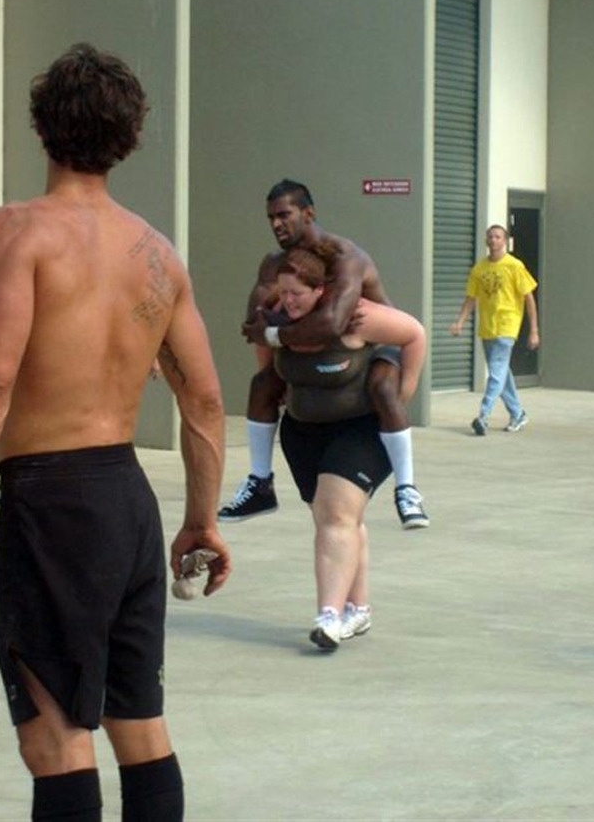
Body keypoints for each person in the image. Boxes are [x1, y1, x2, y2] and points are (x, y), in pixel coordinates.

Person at [0, 44, 231, 822]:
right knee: (141, 729)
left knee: (55, 740)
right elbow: (204, 400)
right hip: (129, 507)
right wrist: (202, 520)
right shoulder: (156, 254)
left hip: (51, 505)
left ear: (41, 125)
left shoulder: (15, 233)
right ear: (127, 138)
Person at [217, 179, 429, 530]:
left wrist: (277, 327)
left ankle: (407, 488)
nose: (276, 224)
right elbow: (254, 322)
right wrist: (277, 350)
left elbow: (332, 323)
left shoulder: (345, 257)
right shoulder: (274, 264)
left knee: (382, 387)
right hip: (317, 352)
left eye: (284, 215)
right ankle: (260, 483)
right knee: (264, 383)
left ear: (308, 213)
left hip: (375, 342)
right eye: (270, 217)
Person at [268, 245, 426, 649]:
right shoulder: (277, 319)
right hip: (303, 432)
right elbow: (264, 356)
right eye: (282, 293)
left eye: (296, 294)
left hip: (361, 430)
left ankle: (329, 616)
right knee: (337, 521)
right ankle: (358, 609)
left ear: (320, 291)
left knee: (337, 516)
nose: (288, 301)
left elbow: (414, 334)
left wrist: (402, 396)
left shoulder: (355, 317)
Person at [449, 224, 540, 435]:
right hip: (487, 327)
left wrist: (534, 330)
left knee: (496, 373)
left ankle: (483, 416)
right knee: (501, 373)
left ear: (505, 241)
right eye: (490, 237)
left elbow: (528, 298)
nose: (493, 240)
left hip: (507, 325)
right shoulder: (479, 269)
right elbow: (471, 298)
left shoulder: (514, 266)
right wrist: (460, 322)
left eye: (498, 237)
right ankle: (518, 413)